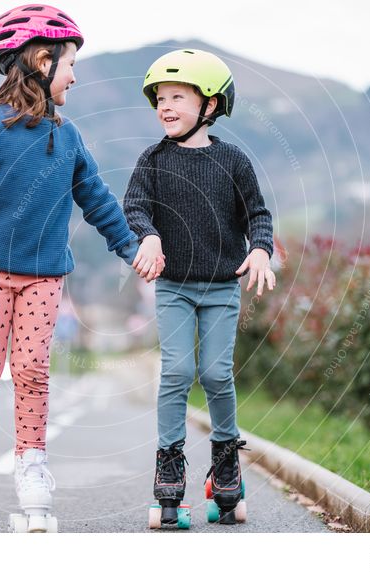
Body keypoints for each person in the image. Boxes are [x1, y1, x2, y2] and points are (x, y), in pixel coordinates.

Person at [0, 4, 160, 532]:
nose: (75, 76)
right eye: (70, 64)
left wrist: (132, 249)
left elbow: (98, 201)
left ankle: (31, 469)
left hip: (45, 277)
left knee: (32, 373)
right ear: (42, 62)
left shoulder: (67, 137)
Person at [123, 49, 276, 527]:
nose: (164, 106)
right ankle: (169, 472)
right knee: (176, 372)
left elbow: (258, 215)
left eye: (176, 97)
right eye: (159, 99)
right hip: (173, 287)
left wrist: (261, 249)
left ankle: (225, 462)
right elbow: (135, 207)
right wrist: (148, 235)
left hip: (221, 288)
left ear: (209, 105)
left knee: (214, 374)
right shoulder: (152, 159)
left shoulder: (233, 160)